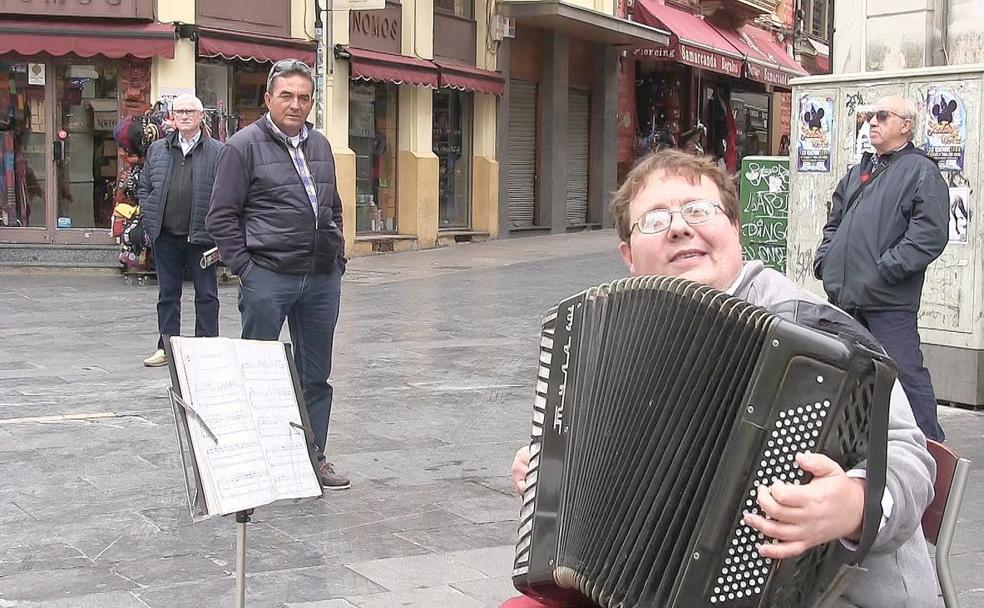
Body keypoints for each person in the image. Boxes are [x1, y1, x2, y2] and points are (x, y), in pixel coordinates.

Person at [506, 150, 937, 608]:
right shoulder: (620, 329)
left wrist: (852, 503)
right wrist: (550, 471)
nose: (678, 227)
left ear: (735, 230)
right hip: (659, 584)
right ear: (629, 256)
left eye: (698, 209)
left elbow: (910, 455)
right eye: (654, 219)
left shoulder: (816, 330)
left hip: (831, 591)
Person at [206, 59, 350, 490]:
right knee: (258, 371)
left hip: (321, 278)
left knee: (315, 375)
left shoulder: (320, 145)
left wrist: (337, 254)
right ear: (268, 99)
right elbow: (221, 216)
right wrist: (247, 269)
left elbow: (333, 207)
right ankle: (257, 459)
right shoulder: (242, 146)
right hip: (268, 276)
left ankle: (312, 457)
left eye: (304, 97)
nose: (295, 104)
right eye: (286, 95)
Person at [813, 95, 949, 442]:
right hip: (846, 298)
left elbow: (930, 235)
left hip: (888, 300)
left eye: (882, 116)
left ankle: (931, 450)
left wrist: (885, 269)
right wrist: (825, 259)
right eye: (869, 115)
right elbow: (835, 221)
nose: (872, 121)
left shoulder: (921, 171)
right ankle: (855, 448)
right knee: (848, 377)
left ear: (905, 125)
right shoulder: (860, 170)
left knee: (906, 377)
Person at [138, 94, 223, 367]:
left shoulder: (218, 152)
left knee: (207, 295)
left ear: (201, 117)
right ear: (172, 117)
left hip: (201, 236)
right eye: (179, 112)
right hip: (166, 236)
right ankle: (166, 346)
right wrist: (149, 213)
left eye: (190, 111)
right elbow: (145, 185)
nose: (184, 116)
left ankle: (207, 347)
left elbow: (225, 192)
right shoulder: (158, 149)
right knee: (167, 295)